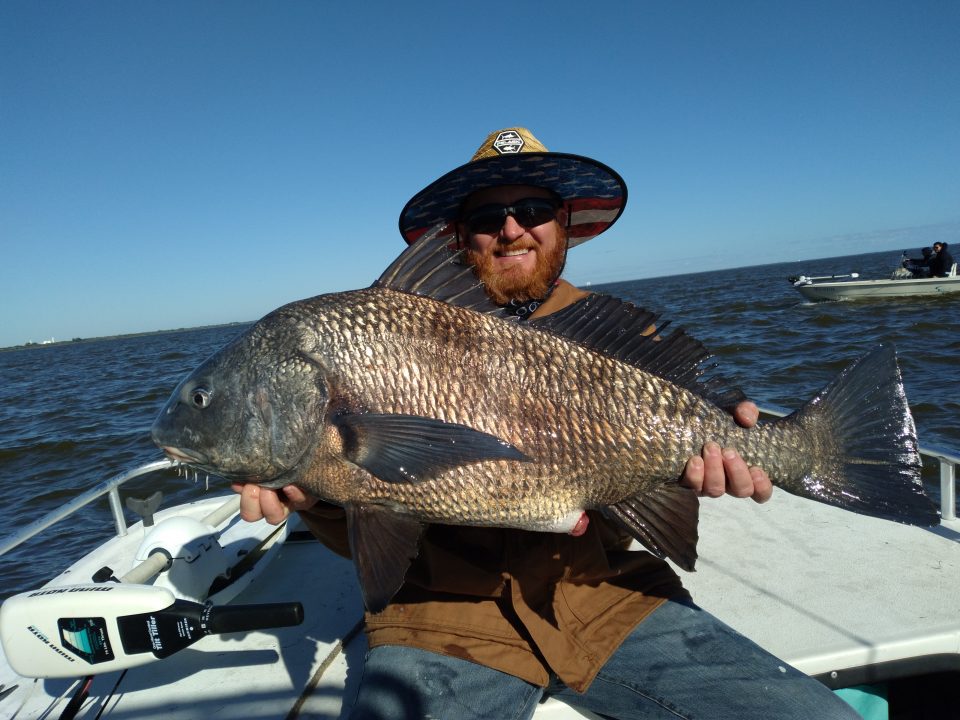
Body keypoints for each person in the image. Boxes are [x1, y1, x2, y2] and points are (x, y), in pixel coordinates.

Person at [235, 128, 860, 719]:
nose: (511, 230)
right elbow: (371, 531)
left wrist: (716, 461)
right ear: (458, 238)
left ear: (563, 225)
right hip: (441, 621)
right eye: (485, 219)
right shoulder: (387, 331)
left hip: (610, 601)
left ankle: (828, 450)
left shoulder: (620, 335)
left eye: (532, 209)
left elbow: (664, 468)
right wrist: (313, 497)